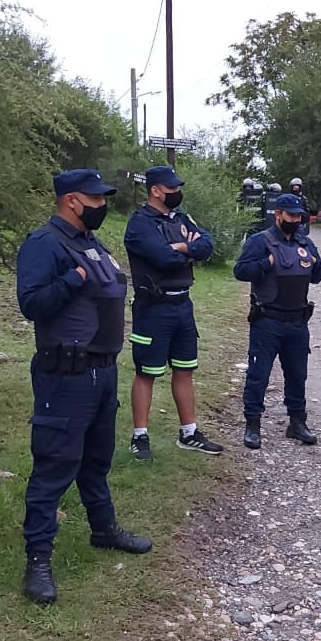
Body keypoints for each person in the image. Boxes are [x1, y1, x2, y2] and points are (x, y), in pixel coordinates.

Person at [15, 169, 152, 605]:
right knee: (55, 465)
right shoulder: (45, 244)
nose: (102, 205)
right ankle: (38, 560)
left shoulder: (93, 244)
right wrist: (71, 279)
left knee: (96, 460)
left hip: (102, 370)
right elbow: (31, 304)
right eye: (95, 199)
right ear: (72, 200)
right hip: (65, 374)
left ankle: (103, 529)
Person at [123, 165, 222, 460]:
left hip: (183, 305)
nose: (177, 193)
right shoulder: (140, 223)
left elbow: (207, 244)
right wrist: (186, 248)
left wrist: (182, 246)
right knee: (147, 372)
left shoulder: (181, 218)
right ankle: (140, 436)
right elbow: (163, 258)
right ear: (155, 190)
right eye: (172, 189)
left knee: (185, 368)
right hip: (153, 306)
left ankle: (188, 432)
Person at [234, 193, 321, 449]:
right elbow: (240, 271)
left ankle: (297, 422)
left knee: (298, 375)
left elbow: (317, 276)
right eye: (290, 215)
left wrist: (316, 264)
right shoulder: (259, 241)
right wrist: (267, 263)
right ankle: (252, 424)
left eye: (298, 216)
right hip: (268, 321)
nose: (295, 220)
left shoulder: (305, 243)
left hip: (297, 321)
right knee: (258, 375)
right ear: (277, 214)